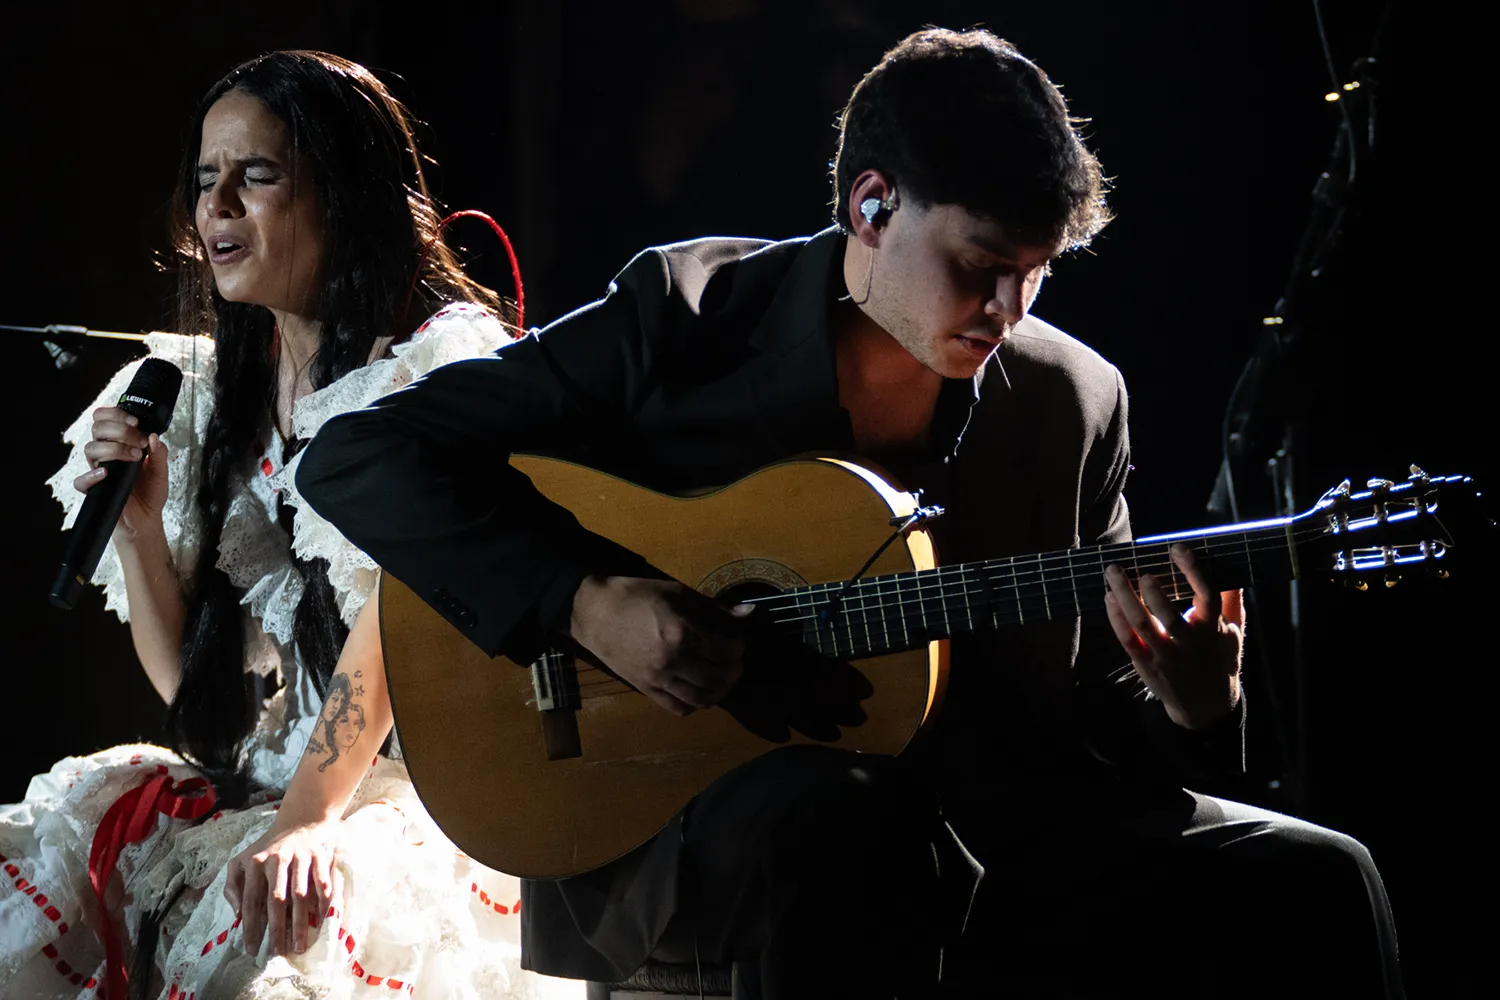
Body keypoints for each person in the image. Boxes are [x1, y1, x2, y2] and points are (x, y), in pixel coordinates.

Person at [295, 29, 1403, 999]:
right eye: (980, 267)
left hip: (992, 804)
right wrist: (585, 602)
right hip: (690, 808)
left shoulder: (1076, 398)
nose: (1008, 310)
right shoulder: (687, 317)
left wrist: (1196, 709)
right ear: (872, 207)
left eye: (1037, 273)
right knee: (860, 830)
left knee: (1323, 875)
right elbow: (360, 456)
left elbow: (1095, 708)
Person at [1, 50, 581, 1000]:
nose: (218, 204)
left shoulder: (433, 374)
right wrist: (140, 530)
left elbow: (401, 623)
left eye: (256, 175)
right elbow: (203, 710)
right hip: (265, 783)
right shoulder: (205, 393)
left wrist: (308, 821)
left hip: (396, 794)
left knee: (292, 932)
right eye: (204, 180)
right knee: (52, 855)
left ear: (344, 195)